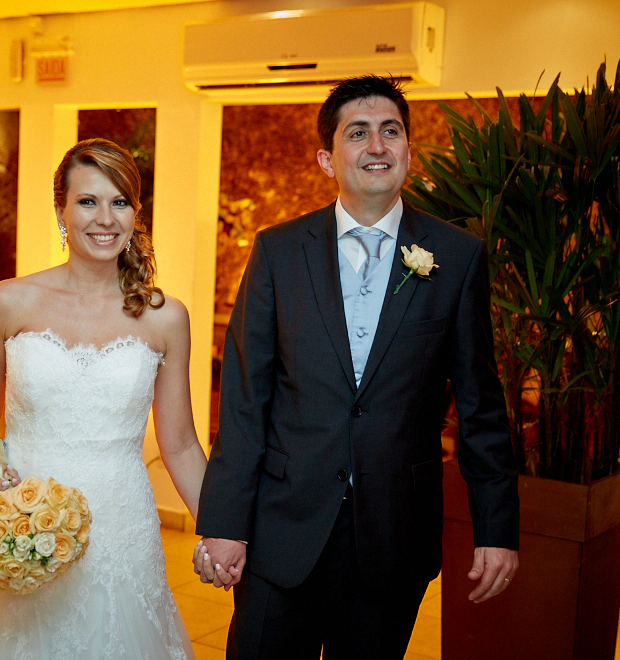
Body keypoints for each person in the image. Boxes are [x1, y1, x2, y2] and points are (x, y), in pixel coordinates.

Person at [193, 75, 520, 659]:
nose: (377, 146)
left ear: (409, 152)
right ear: (327, 158)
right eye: (358, 133)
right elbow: (244, 400)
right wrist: (224, 521)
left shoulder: (457, 256)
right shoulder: (277, 251)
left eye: (390, 132)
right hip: (281, 532)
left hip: (394, 535)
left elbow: (481, 407)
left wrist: (496, 531)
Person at [0, 138, 207, 660]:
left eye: (120, 201)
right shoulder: (9, 300)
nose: (105, 218)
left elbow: (178, 444)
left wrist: (221, 530)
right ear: (61, 210)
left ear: (136, 212)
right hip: (22, 515)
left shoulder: (165, 317)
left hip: (121, 523)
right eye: (88, 201)